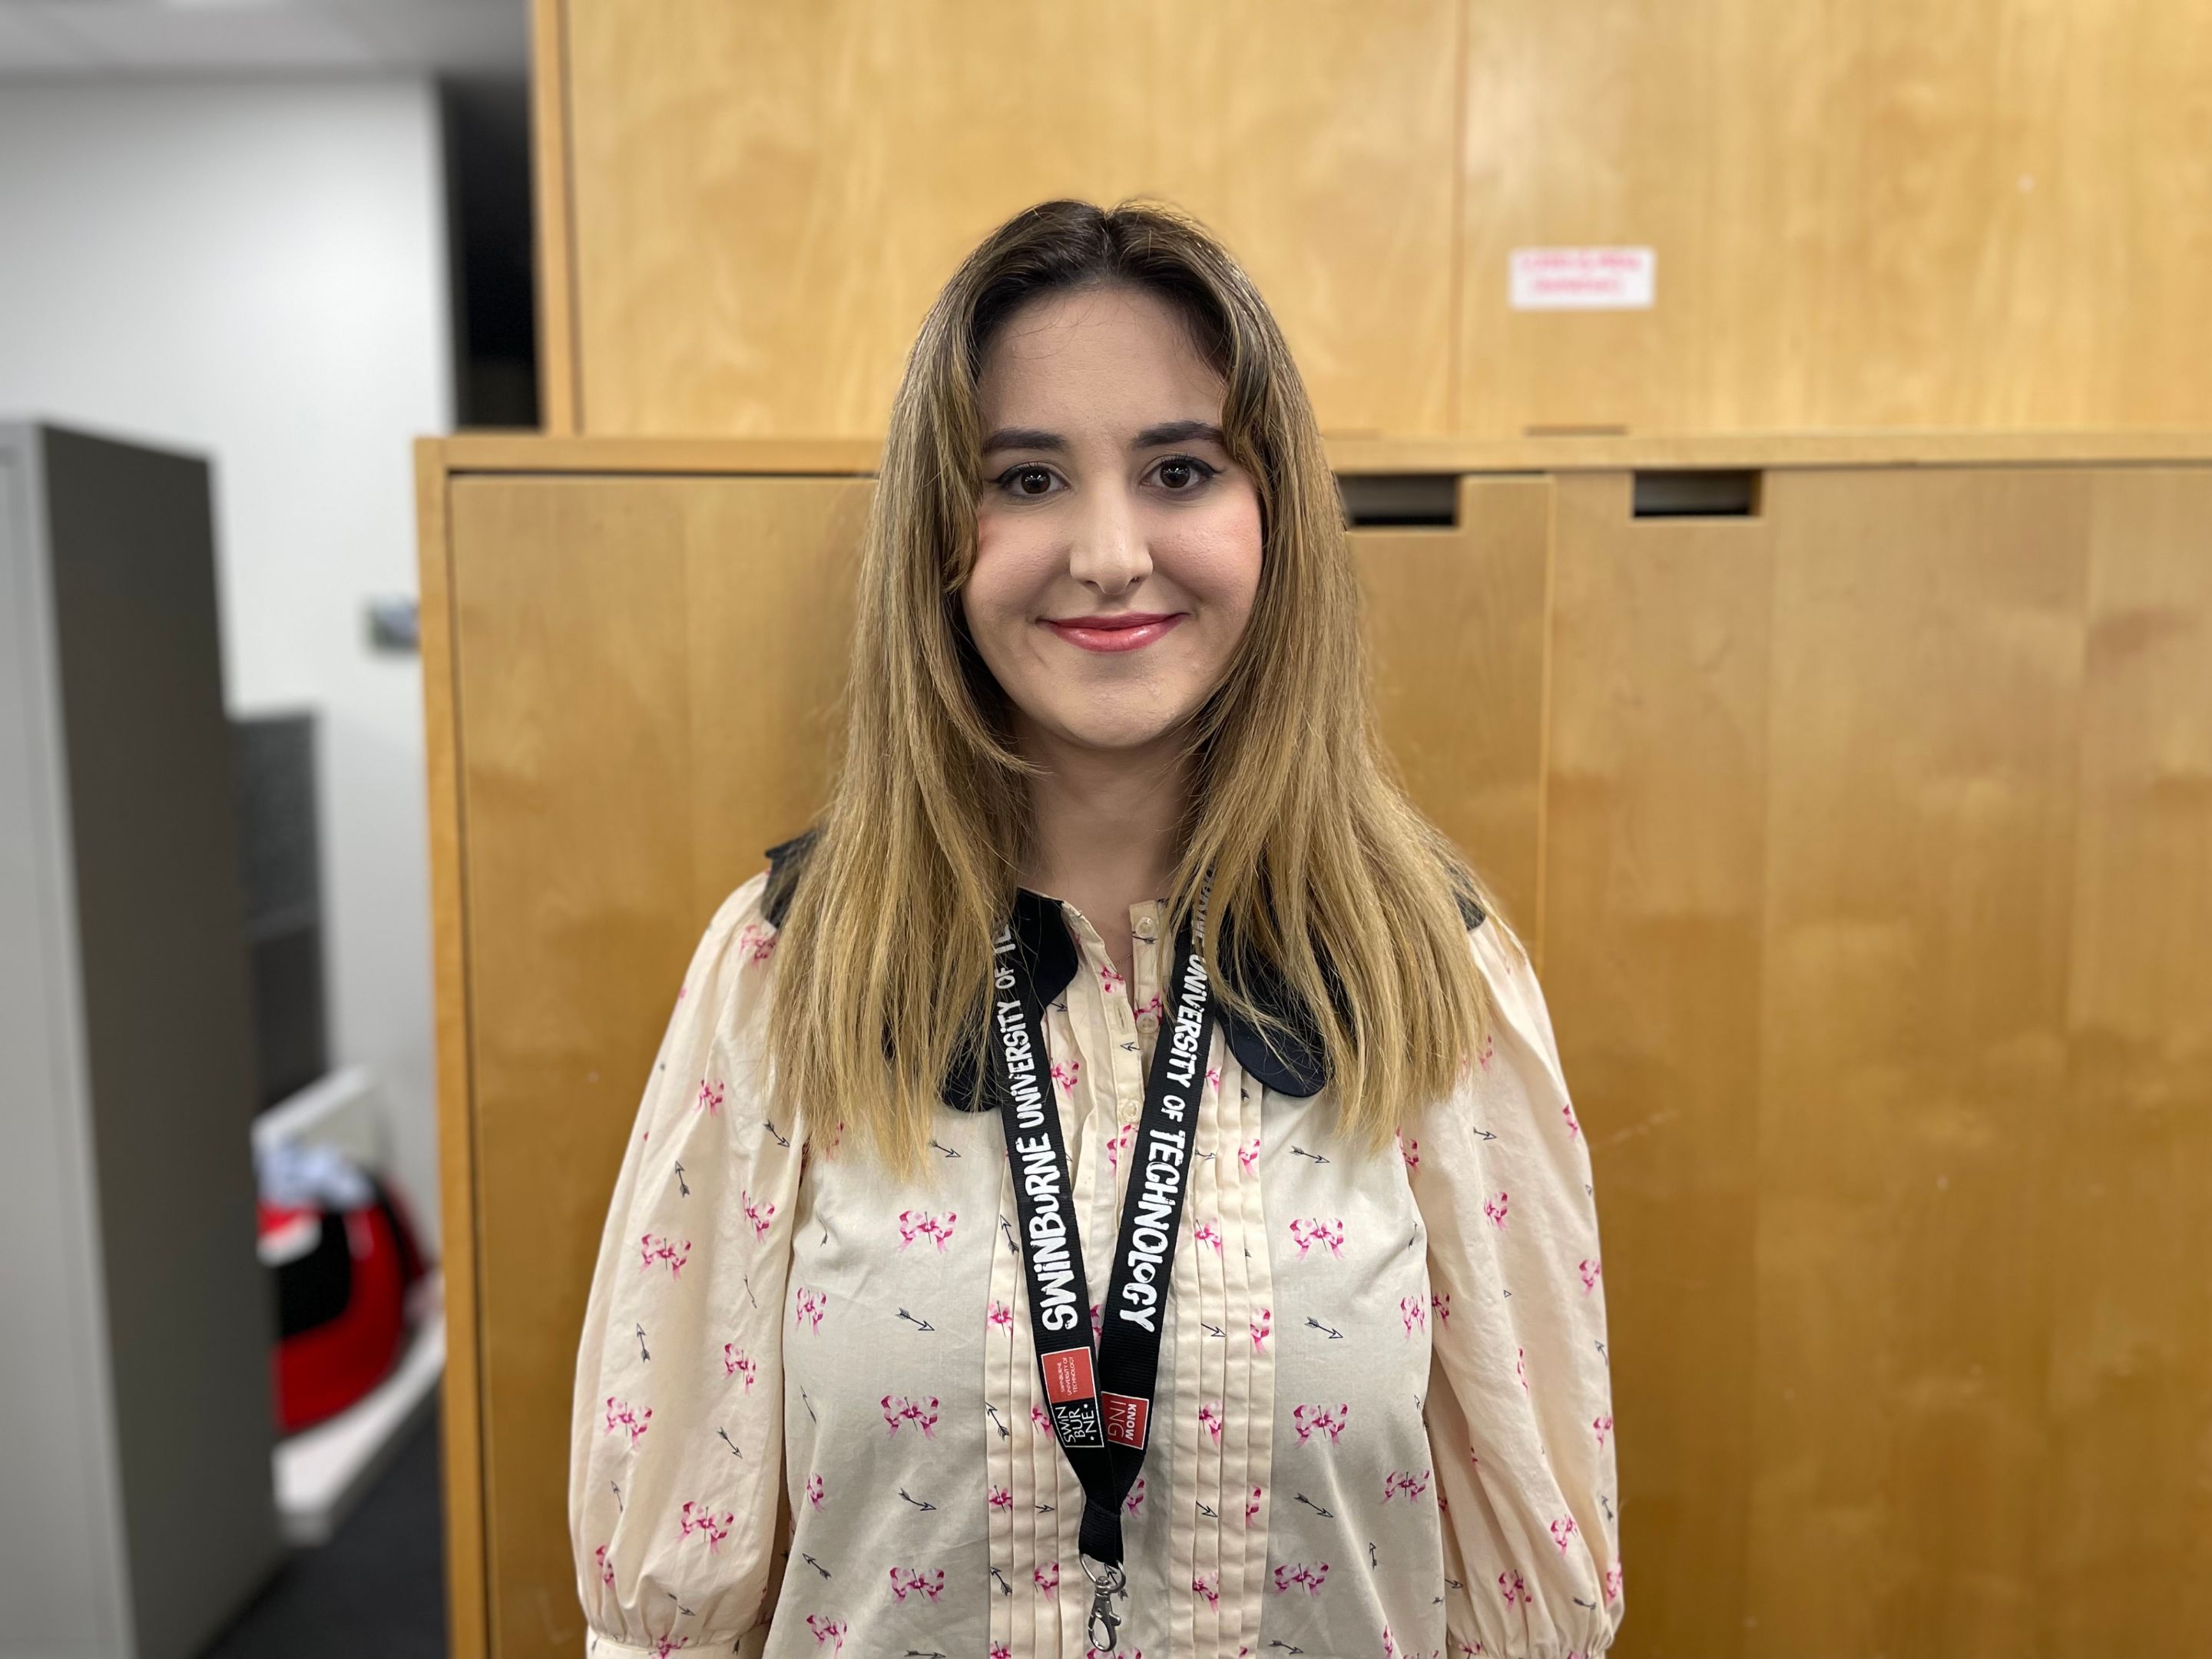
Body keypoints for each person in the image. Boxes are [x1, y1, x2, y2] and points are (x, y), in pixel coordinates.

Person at [568, 197, 1623, 1659]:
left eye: (1180, 469)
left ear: (1273, 520)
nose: (1112, 552)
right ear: (943, 537)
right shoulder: (782, 972)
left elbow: (1532, 1601)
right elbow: (664, 1619)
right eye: (1029, 478)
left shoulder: (1429, 975)